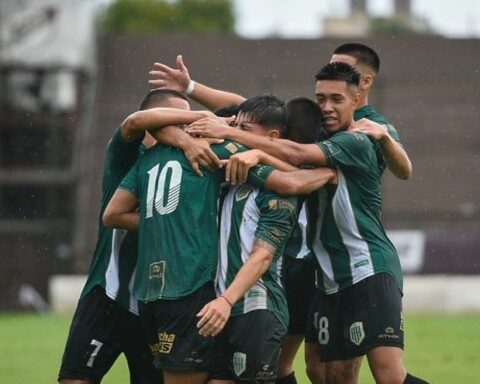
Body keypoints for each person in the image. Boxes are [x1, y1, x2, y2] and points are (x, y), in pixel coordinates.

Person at [196, 62, 427, 384]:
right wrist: (191, 89)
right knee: (326, 374)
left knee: (388, 375)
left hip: (368, 268)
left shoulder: (356, 139)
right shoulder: (314, 138)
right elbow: (263, 125)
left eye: (337, 99)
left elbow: (291, 153)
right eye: (321, 99)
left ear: (357, 99)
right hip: (329, 277)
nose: (327, 107)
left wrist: (236, 139)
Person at [101, 101, 335, 384]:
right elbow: (291, 180)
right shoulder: (220, 163)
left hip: (246, 305)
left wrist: (327, 173)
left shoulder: (161, 159)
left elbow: (287, 192)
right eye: (231, 126)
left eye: (242, 129)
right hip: (211, 302)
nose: (232, 132)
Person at [58, 88, 221, 384]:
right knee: (75, 379)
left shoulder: (190, 159)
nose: (185, 128)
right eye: (176, 119)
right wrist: (200, 117)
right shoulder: (128, 154)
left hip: (157, 301)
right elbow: (134, 121)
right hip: (109, 292)